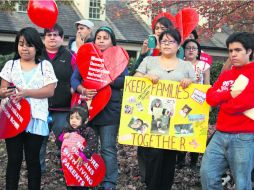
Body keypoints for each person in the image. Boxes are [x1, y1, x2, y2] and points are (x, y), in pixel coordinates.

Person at [134, 28, 196, 190]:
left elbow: (196, 92)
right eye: (163, 41)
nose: (167, 44)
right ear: (159, 44)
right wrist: (146, 77)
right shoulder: (149, 61)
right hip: (152, 115)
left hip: (177, 117)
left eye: (171, 41)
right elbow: (135, 81)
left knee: (169, 157)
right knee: (153, 154)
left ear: (178, 45)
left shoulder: (187, 65)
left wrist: (189, 82)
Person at [71, 26, 128, 190]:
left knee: (108, 148)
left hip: (110, 111)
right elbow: (74, 79)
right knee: (89, 145)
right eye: (99, 37)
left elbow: (123, 81)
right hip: (88, 110)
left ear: (112, 41)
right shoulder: (87, 57)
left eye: (105, 37)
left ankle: (109, 182)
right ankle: (89, 177)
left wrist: (103, 78)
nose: (101, 40)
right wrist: (83, 90)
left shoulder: (119, 60)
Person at [0, 27, 57, 190]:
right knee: (14, 160)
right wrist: (4, 92)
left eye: (29, 45)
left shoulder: (44, 66)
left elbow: (50, 90)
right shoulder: (10, 65)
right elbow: (2, 90)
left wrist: (26, 93)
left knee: (33, 160)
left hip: (35, 119)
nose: (24, 48)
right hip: (13, 118)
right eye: (21, 44)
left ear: (37, 47)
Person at [200, 32, 254, 190]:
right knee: (207, 175)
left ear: (249, 51)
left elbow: (238, 105)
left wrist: (222, 101)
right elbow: (210, 97)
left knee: (242, 183)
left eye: (238, 50)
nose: (233, 54)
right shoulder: (227, 75)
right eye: (230, 51)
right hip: (220, 133)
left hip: (244, 136)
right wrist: (229, 94)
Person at [40, 23, 76, 173]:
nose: (52, 37)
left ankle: (68, 169)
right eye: (49, 35)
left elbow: (78, 77)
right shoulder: (37, 54)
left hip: (63, 108)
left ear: (62, 38)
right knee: (38, 142)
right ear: (44, 38)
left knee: (64, 140)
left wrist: (74, 89)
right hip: (39, 107)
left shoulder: (71, 56)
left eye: (56, 35)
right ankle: (38, 169)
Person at [177, 39, 210, 169]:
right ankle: (180, 160)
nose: (191, 50)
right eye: (188, 48)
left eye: (194, 48)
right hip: (182, 102)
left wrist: (208, 104)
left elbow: (207, 85)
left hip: (198, 103)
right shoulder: (179, 64)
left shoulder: (204, 66)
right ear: (183, 51)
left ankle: (193, 161)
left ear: (198, 51)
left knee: (197, 130)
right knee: (181, 129)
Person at [58, 104, 98, 190]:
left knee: (81, 184)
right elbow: (59, 142)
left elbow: (92, 144)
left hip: (83, 163)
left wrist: (84, 155)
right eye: (71, 118)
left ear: (85, 120)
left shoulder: (88, 131)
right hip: (69, 163)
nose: (73, 121)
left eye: (77, 118)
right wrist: (63, 136)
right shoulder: (67, 130)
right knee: (70, 183)